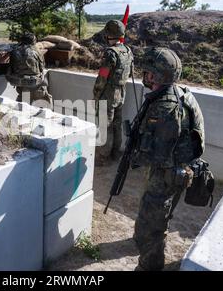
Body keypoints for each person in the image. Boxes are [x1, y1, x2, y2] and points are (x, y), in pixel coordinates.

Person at [132, 47, 205, 271]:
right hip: (182, 169)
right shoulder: (182, 93)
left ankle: (148, 267)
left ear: (157, 76)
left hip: (166, 173)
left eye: (149, 72)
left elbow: (158, 155)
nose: (145, 76)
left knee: (149, 227)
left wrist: (136, 150)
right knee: (162, 216)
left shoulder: (165, 106)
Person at [93, 20, 134, 165]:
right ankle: (115, 154)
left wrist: (96, 94)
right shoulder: (127, 51)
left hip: (108, 94)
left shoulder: (110, 53)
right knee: (116, 124)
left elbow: (103, 76)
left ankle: (102, 157)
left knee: (105, 126)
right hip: (121, 93)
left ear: (108, 35)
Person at [5, 32, 52, 107]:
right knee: (43, 103)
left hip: (19, 82)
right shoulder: (36, 51)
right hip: (34, 83)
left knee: (23, 102)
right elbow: (42, 66)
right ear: (33, 41)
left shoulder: (14, 51)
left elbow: (11, 66)